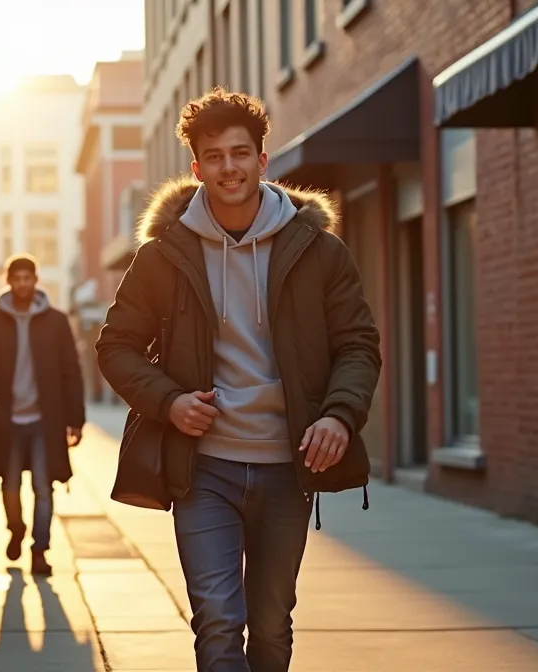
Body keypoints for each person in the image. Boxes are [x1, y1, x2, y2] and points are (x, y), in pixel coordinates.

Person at [95, 88, 382, 671]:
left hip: (286, 466)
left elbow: (358, 344)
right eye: (215, 156)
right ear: (197, 168)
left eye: (240, 153)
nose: (229, 167)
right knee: (219, 620)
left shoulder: (320, 252)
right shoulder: (163, 257)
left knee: (271, 625)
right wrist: (169, 402)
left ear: (262, 160)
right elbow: (116, 347)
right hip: (203, 468)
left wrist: (338, 415)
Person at [0, 254, 86, 577]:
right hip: (6, 421)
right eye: (16, 279)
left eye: (27, 278)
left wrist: (75, 420)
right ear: (8, 281)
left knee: (43, 488)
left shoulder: (56, 322)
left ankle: (39, 550)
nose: (22, 284)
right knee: (9, 486)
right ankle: (16, 529)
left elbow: (71, 372)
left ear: (35, 281)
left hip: (45, 422)